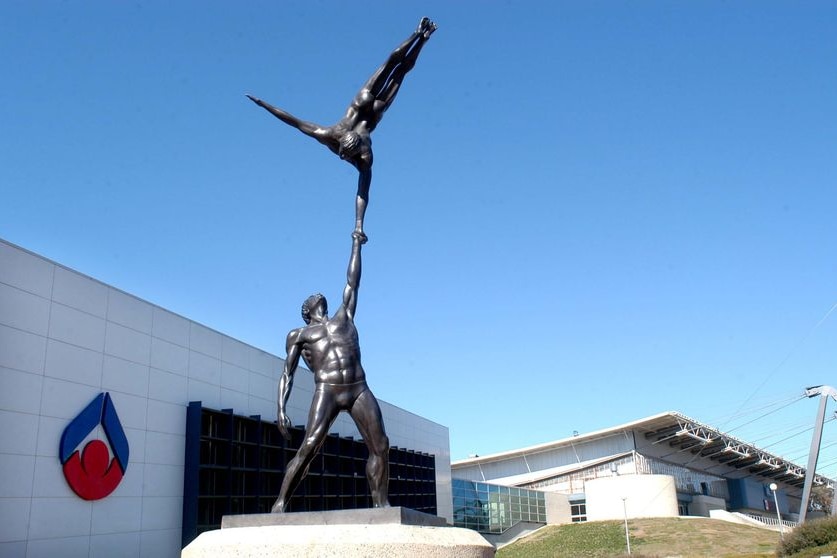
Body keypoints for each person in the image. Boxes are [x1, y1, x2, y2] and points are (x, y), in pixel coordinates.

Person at [247, 17, 437, 243]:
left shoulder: (337, 139)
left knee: (394, 67)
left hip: (366, 103)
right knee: (397, 69)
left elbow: (295, 122)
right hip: (375, 107)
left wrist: (264, 105)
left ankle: (419, 36)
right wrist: (359, 226)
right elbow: (362, 191)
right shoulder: (358, 151)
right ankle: (421, 38)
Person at [272, 230, 389, 512]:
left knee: (380, 446)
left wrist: (356, 244)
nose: (318, 295)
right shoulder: (299, 334)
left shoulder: (343, 316)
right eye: (313, 297)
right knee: (310, 445)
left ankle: (381, 504)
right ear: (307, 309)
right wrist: (280, 409)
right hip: (327, 389)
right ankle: (280, 503)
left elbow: (352, 282)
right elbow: (287, 373)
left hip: (358, 387)